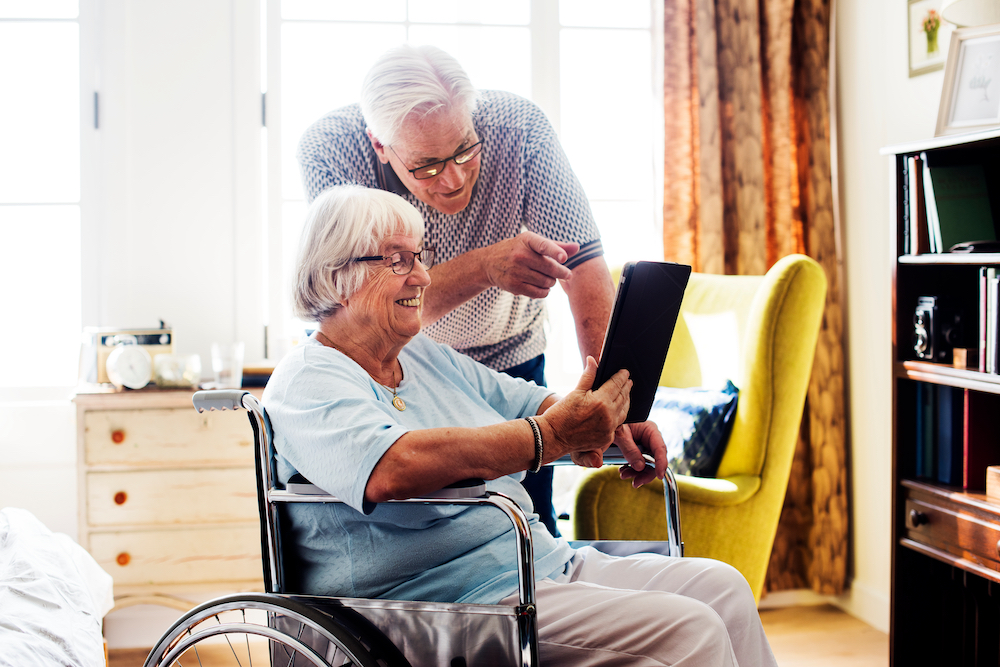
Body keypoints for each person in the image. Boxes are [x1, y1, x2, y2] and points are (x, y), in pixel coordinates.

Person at [263, 184, 778, 666]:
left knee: (722, 587)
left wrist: (605, 424)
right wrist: (554, 436)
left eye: (419, 256)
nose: (421, 276)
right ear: (335, 278)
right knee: (688, 628)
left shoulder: (422, 357)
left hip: (532, 564)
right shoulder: (308, 379)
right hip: (434, 603)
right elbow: (391, 467)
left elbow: (529, 402)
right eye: (398, 261)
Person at [296, 44, 616, 537]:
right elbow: (364, 303)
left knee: (532, 529)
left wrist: (608, 400)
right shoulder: (331, 151)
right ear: (379, 146)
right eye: (426, 166)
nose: (454, 178)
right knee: (430, 527)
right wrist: (485, 266)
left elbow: (585, 264)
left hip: (509, 358)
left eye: (466, 150)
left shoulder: (519, 128)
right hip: (404, 369)